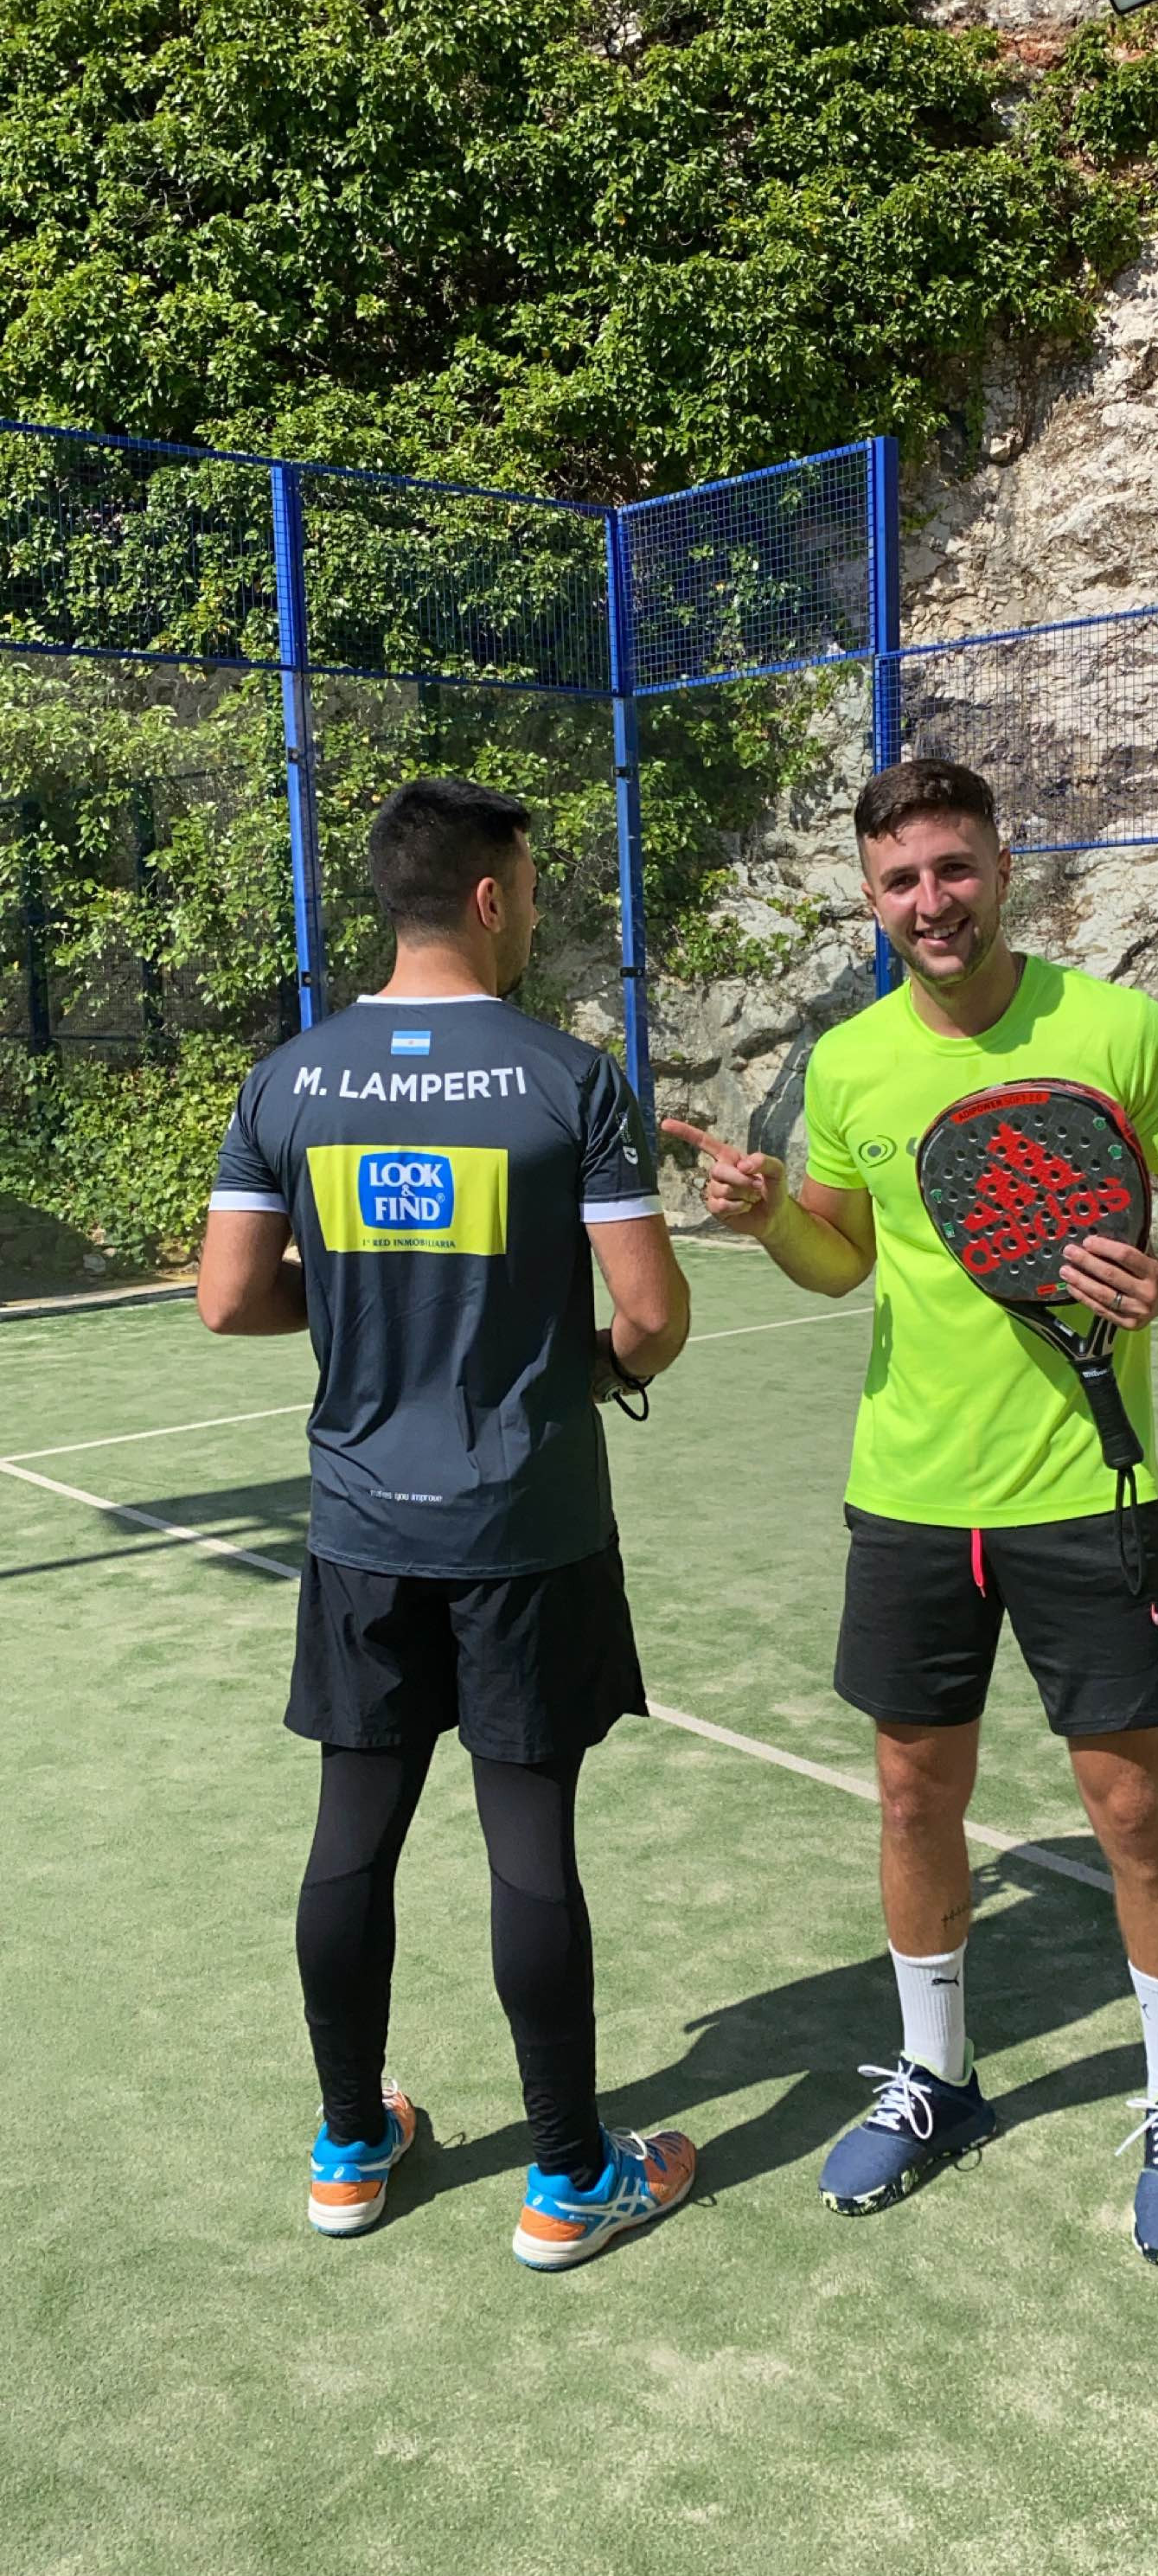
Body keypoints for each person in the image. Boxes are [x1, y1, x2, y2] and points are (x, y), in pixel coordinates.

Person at [664, 759, 1158, 2267]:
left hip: (1087, 1490)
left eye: (951, 868)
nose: (929, 902)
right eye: (899, 881)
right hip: (911, 1496)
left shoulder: (1115, 1030)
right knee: (911, 1800)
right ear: (872, 901)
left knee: (1131, 1810)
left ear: (1002, 868)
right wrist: (769, 1221)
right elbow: (842, 1260)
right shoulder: (854, 1066)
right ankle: (937, 2077)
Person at [197, 774, 697, 2270]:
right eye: (530, 891)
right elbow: (653, 1318)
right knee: (527, 1841)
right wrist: (586, 1367)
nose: (532, 914)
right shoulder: (569, 1079)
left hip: (363, 1525)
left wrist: (366, 1307)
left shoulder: (288, 1080)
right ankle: (569, 2178)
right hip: (526, 1526)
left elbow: (229, 1299)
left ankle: (351, 2147)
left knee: (352, 1831)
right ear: (489, 897)